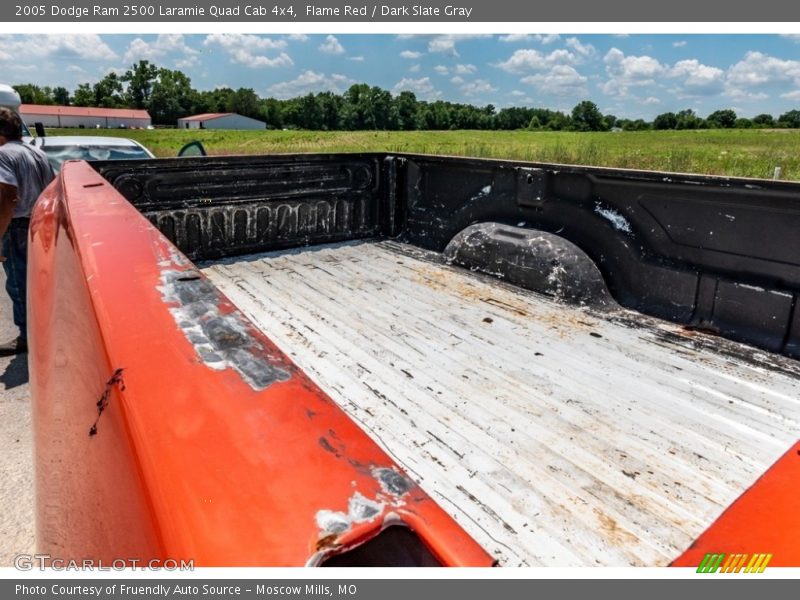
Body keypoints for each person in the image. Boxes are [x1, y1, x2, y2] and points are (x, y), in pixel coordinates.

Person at [0, 107, 55, 356]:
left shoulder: (3, 155)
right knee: (40, 281)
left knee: (18, 283)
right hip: (39, 222)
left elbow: (8, 198)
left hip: (17, 226)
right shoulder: (37, 152)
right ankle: (44, 329)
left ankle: (27, 336)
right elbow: (52, 188)